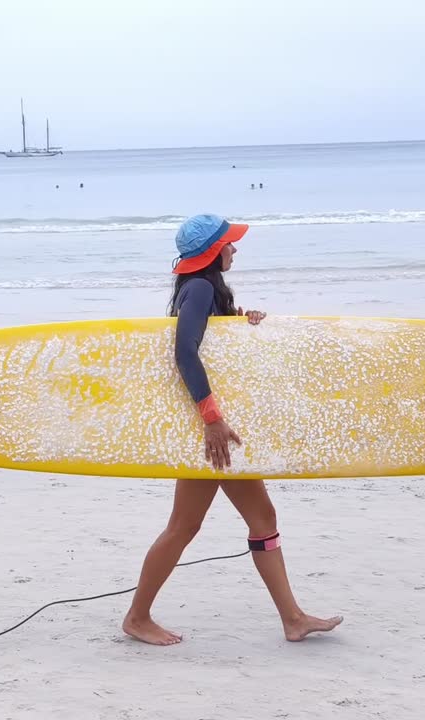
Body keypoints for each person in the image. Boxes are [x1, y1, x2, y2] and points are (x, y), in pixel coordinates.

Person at [122, 213, 343, 646]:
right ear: (211, 251)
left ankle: (293, 619)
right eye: (229, 243)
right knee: (184, 527)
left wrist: (241, 324)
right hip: (212, 431)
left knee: (262, 518)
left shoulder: (204, 290)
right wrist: (212, 421)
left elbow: (209, 345)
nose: (235, 249)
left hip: (217, 429)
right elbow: (184, 353)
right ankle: (136, 617)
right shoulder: (201, 288)